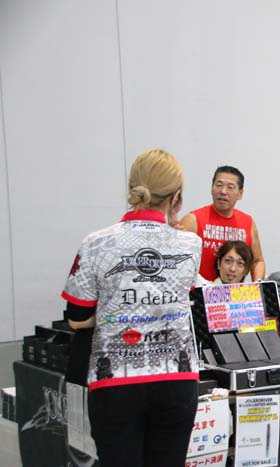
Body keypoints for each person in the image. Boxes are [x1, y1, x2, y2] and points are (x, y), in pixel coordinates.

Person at [61, 149, 202, 467]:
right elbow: (186, 295)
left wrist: (109, 312)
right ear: (177, 197)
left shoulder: (96, 242)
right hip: (176, 381)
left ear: (133, 189)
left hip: (115, 385)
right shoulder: (191, 244)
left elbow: (77, 316)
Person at [180, 166, 265, 281]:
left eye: (230, 187)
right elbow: (175, 260)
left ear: (240, 193)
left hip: (236, 291)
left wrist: (257, 284)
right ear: (212, 188)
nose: (223, 191)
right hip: (198, 291)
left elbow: (257, 261)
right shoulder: (192, 220)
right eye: (219, 185)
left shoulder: (248, 222)